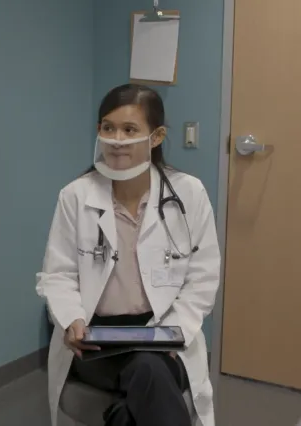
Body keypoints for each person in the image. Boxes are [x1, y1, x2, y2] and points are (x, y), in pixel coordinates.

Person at [36, 84, 220, 426]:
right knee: (148, 374)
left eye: (130, 130)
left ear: (157, 136)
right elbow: (58, 274)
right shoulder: (75, 197)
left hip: (164, 330)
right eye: (108, 128)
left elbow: (203, 276)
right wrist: (71, 318)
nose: (117, 140)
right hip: (95, 339)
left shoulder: (189, 194)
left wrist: (170, 330)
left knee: (146, 373)